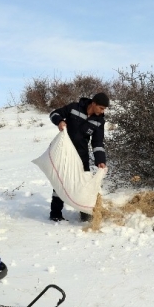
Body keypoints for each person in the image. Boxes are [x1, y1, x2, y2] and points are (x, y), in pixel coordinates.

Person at [48, 92, 109, 222]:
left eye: (104, 109)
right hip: (65, 152)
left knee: (84, 183)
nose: (102, 111)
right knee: (61, 181)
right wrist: (59, 121)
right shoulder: (74, 108)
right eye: (101, 108)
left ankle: (85, 214)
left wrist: (100, 160)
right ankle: (55, 214)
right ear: (93, 103)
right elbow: (54, 114)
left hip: (82, 155)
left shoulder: (99, 121)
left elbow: (97, 143)